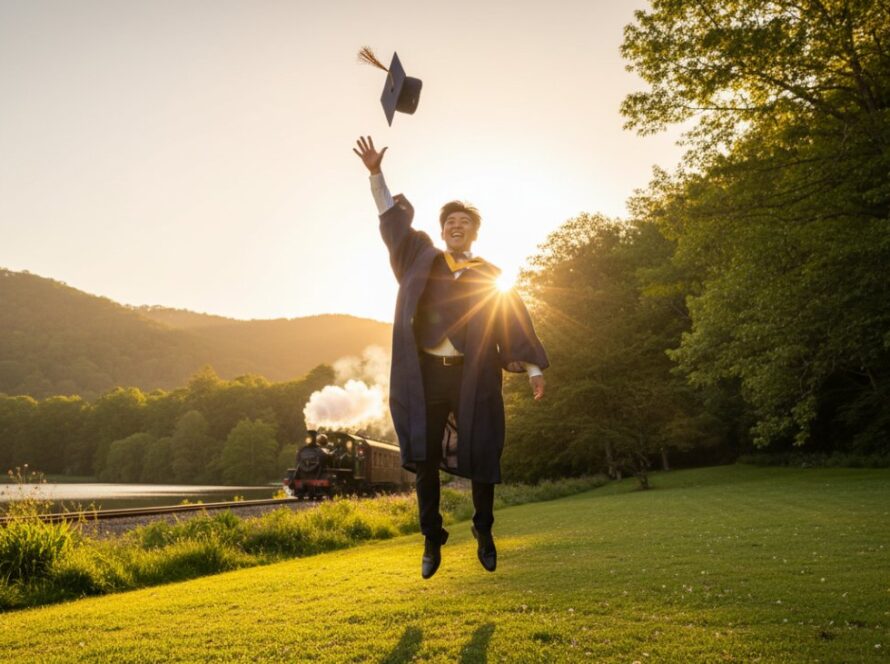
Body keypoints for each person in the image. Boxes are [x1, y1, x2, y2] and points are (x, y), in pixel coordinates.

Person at [353, 135, 548, 579]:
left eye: (464, 221)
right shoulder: (420, 256)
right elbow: (392, 223)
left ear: (474, 232)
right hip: (425, 378)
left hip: (471, 376)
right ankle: (431, 536)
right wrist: (375, 174)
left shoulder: (490, 275)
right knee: (422, 457)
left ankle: (484, 529)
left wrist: (533, 368)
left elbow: (512, 319)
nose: (456, 226)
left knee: (481, 451)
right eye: (450, 221)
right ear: (442, 230)